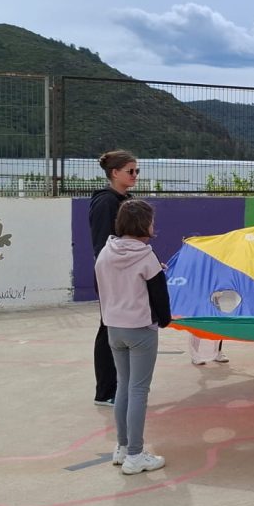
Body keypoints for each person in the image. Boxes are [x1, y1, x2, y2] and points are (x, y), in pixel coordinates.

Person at [94, 199, 172, 475]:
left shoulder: (106, 252)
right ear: (144, 225)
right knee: (138, 390)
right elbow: (160, 297)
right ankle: (136, 455)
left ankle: (123, 447)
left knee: (124, 387)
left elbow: (102, 287)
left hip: (113, 328)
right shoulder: (145, 256)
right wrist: (164, 320)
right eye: (151, 221)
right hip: (140, 330)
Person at [89, 150, 138, 406]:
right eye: (130, 171)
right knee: (108, 329)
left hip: (128, 275)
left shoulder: (127, 200)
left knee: (123, 329)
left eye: (137, 171)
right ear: (115, 172)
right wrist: (115, 274)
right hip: (112, 276)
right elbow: (103, 245)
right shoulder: (105, 202)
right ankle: (105, 391)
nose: (135, 175)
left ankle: (119, 386)